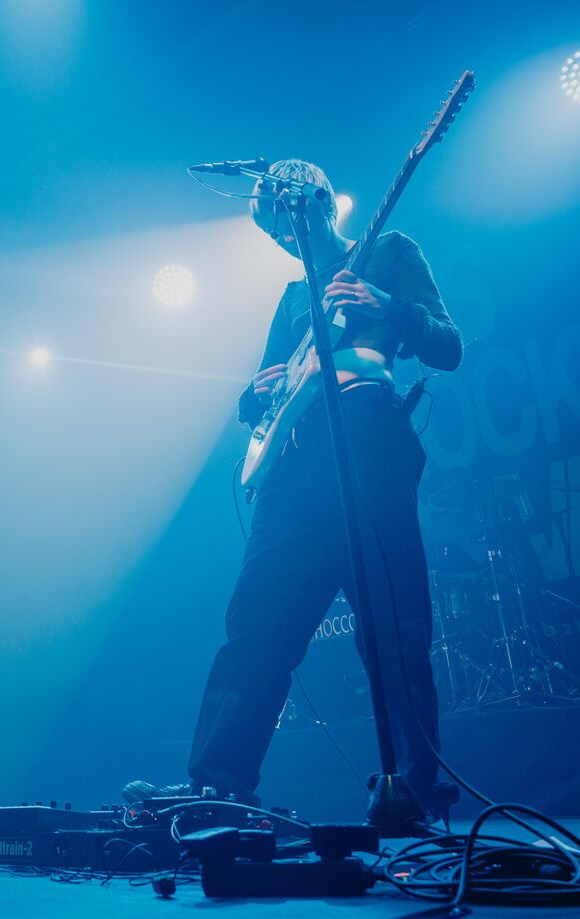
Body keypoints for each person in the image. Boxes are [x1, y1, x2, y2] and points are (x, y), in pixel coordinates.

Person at [126, 159, 463, 823]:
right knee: (256, 624)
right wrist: (253, 396)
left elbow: (448, 345)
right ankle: (218, 786)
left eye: (287, 218)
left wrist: (389, 308)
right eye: (272, 230)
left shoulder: (389, 252)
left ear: (320, 203)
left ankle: (414, 789)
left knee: (392, 626)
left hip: (367, 441)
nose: (283, 235)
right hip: (294, 471)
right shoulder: (290, 299)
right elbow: (264, 395)